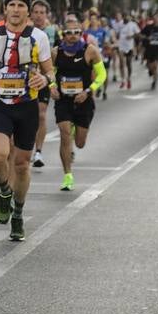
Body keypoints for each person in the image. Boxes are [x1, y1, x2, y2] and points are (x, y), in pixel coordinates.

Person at [0, 0, 53, 242]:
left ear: (27, 11)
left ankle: (18, 213)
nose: (16, 10)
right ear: (5, 9)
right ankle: (4, 192)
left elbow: (50, 72)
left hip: (27, 105)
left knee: (21, 164)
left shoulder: (39, 37)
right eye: (12, 5)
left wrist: (44, 79)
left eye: (21, 6)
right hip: (0, 103)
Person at [48, 14, 106, 191]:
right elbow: (49, 73)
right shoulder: (55, 52)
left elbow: (102, 75)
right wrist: (52, 87)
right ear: (63, 34)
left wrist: (88, 91)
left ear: (81, 33)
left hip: (83, 100)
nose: (72, 35)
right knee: (64, 133)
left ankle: (75, 132)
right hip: (63, 100)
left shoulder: (90, 51)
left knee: (80, 143)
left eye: (76, 32)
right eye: (69, 32)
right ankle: (68, 176)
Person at [30, 0, 58, 167]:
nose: (39, 16)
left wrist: (53, 83)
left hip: (44, 80)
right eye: (36, 12)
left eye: (42, 13)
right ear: (31, 14)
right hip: (24, 82)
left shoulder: (53, 33)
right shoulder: (24, 32)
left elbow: (58, 59)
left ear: (47, 15)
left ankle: (38, 152)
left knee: (41, 115)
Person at [139, 12, 158, 90]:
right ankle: (151, 71)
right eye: (154, 18)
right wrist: (146, 37)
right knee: (149, 65)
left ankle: (154, 82)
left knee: (155, 66)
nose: (156, 20)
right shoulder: (148, 27)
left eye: (157, 18)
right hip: (149, 49)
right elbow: (141, 34)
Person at [114, 11, 139, 89]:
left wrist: (131, 36)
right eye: (125, 17)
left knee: (128, 64)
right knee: (121, 63)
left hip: (129, 47)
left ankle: (129, 79)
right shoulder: (120, 24)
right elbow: (116, 34)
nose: (126, 18)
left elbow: (137, 33)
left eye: (128, 17)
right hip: (121, 46)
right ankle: (123, 80)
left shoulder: (133, 24)